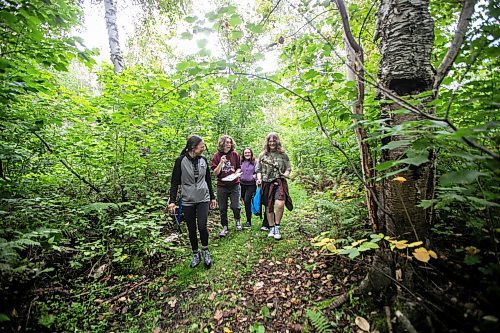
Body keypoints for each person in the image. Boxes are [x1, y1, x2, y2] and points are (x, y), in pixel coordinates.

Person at [168, 135, 217, 268]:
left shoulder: (203, 160)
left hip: (203, 198)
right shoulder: (180, 161)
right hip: (188, 200)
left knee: (202, 226)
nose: (203, 148)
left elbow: (208, 180)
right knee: (191, 228)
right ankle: (196, 253)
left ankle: (205, 250)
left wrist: (212, 197)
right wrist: (172, 201)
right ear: (193, 147)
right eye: (202, 146)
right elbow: (174, 182)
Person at [255, 133, 293, 240]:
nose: (272, 143)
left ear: (277, 142)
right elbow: (258, 170)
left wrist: (286, 174)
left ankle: (277, 226)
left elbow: (288, 168)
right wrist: (259, 178)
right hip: (266, 182)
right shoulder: (263, 155)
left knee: (280, 204)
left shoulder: (283, 155)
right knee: (268, 205)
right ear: (267, 142)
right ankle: (271, 227)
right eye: (270, 141)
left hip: (280, 182)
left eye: (274, 141)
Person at [211, 135, 242, 237]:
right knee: (222, 208)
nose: (228, 144)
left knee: (235, 206)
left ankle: (237, 220)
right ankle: (225, 227)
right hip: (222, 186)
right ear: (221, 144)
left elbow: (239, 168)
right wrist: (221, 162)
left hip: (234, 184)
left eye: (230, 142)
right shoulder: (216, 156)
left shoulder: (235, 154)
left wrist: (235, 174)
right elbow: (215, 173)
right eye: (226, 142)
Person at [240, 148, 257, 229]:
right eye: (245, 153)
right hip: (242, 184)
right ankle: (246, 218)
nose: (247, 154)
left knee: (247, 200)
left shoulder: (255, 162)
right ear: (243, 154)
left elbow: (258, 171)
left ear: (251, 153)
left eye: (248, 152)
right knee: (244, 201)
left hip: (251, 185)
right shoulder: (241, 162)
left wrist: (254, 176)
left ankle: (248, 221)